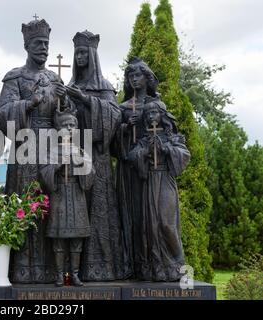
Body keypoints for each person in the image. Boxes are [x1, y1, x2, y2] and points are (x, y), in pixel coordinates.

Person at [0, 19, 71, 283]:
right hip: (25, 145)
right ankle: (25, 268)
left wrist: (65, 102)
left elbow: (66, 119)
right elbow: (2, 114)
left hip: (51, 147)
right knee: (25, 202)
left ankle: (54, 269)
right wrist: (28, 103)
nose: (44, 49)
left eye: (46, 44)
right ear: (27, 45)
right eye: (38, 44)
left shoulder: (55, 78)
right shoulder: (15, 77)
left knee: (53, 203)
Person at [66, 30, 131, 280]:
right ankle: (73, 269)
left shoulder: (104, 87)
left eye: (84, 52)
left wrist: (85, 100)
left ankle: (102, 267)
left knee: (100, 210)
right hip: (75, 154)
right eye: (77, 53)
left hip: (98, 156)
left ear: (93, 55)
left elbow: (114, 117)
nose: (80, 56)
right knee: (75, 209)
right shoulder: (71, 85)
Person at [127, 99, 190, 281]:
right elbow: (132, 156)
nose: (151, 117)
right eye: (147, 115)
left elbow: (184, 155)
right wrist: (145, 152)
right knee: (151, 225)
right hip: (149, 182)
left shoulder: (172, 137)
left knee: (166, 223)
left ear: (162, 115)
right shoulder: (144, 138)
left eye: (154, 113)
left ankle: (178, 264)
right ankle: (156, 268)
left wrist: (166, 149)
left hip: (165, 180)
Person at [113, 57, 161, 280]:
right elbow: (112, 145)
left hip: (150, 169)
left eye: (138, 75)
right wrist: (124, 127)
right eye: (130, 76)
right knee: (130, 214)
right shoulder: (122, 107)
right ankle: (130, 263)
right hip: (127, 168)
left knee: (150, 215)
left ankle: (152, 263)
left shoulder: (156, 105)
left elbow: (167, 133)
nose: (134, 79)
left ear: (146, 77)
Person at [39, 109, 94, 287]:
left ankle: (75, 275)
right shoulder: (52, 151)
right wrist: (56, 166)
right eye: (65, 125)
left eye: (72, 125)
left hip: (77, 194)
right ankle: (60, 275)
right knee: (59, 239)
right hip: (59, 194)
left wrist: (82, 165)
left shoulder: (81, 150)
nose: (69, 128)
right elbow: (44, 172)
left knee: (77, 239)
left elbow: (91, 174)